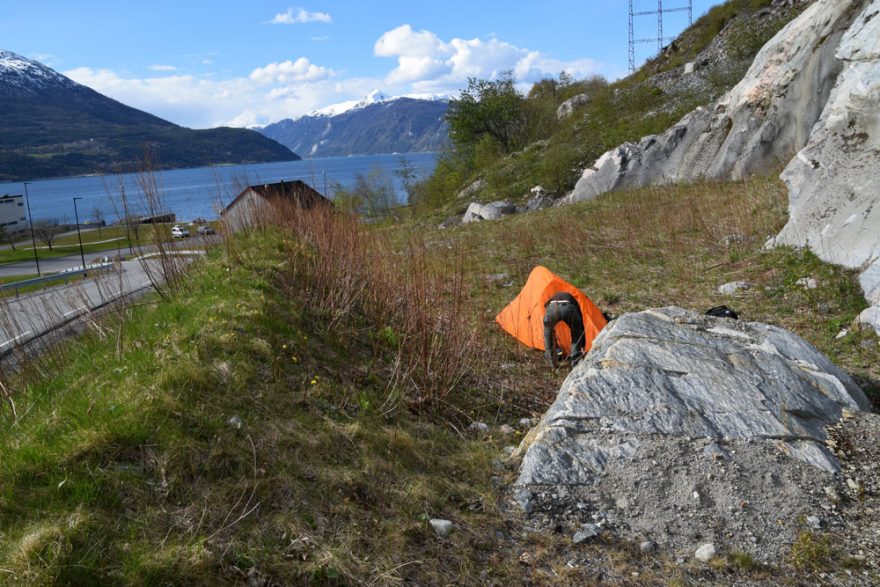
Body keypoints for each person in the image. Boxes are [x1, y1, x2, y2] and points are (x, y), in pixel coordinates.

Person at [543, 292, 586, 368]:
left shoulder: (551, 299)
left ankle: (551, 363)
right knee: (576, 334)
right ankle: (575, 363)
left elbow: (545, 307)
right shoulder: (573, 301)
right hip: (569, 307)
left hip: (552, 308)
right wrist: (583, 343)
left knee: (548, 332)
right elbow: (580, 323)